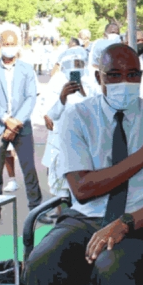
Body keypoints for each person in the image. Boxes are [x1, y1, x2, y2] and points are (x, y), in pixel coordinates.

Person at [22, 43, 143, 285]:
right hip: (84, 219)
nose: (125, 81)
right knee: (40, 263)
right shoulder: (78, 116)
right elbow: (83, 190)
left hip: (140, 221)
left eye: (133, 74)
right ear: (99, 78)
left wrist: (125, 222)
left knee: (112, 267)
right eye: (114, 75)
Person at [0, 30, 48, 225]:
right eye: (6, 43)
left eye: (13, 44)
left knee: (29, 168)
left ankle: (36, 209)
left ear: (18, 45)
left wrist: (15, 122)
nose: (9, 47)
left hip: (22, 126)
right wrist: (5, 119)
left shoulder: (27, 69)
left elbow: (30, 97)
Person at [41, 47, 95, 219]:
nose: (75, 67)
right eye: (71, 63)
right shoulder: (56, 82)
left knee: (83, 189)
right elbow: (50, 116)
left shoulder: (91, 81)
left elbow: (97, 111)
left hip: (87, 144)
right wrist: (62, 98)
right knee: (62, 192)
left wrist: (84, 93)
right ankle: (62, 221)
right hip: (61, 143)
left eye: (79, 63)